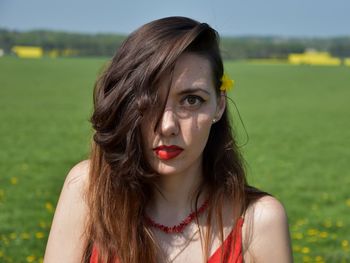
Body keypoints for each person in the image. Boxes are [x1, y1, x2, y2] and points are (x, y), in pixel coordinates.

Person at [43, 16, 293, 263]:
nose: (167, 125)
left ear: (219, 105)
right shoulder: (89, 190)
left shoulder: (258, 223)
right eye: (149, 101)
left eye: (191, 100)